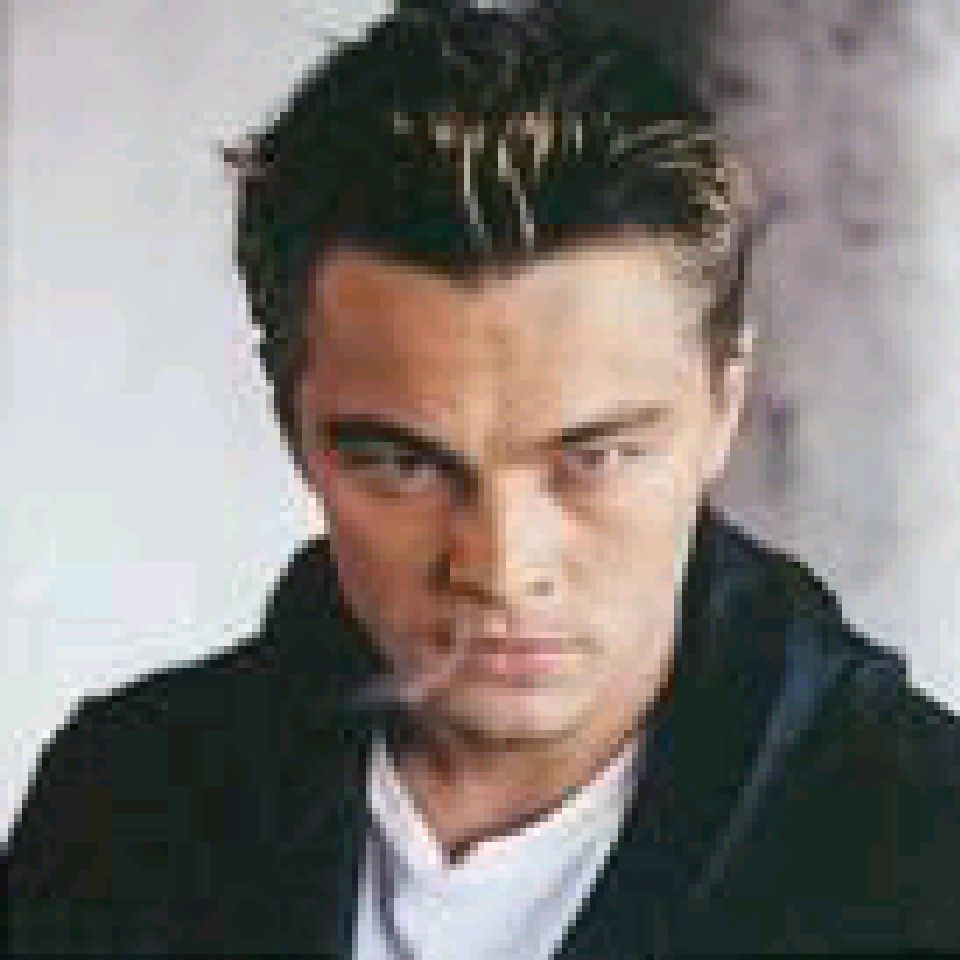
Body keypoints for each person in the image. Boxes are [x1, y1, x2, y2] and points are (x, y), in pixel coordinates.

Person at [8, 1, 959, 955]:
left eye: (594, 457)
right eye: (406, 464)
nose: (501, 569)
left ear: (725, 406)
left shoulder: (922, 849)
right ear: (293, 425)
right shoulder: (123, 808)